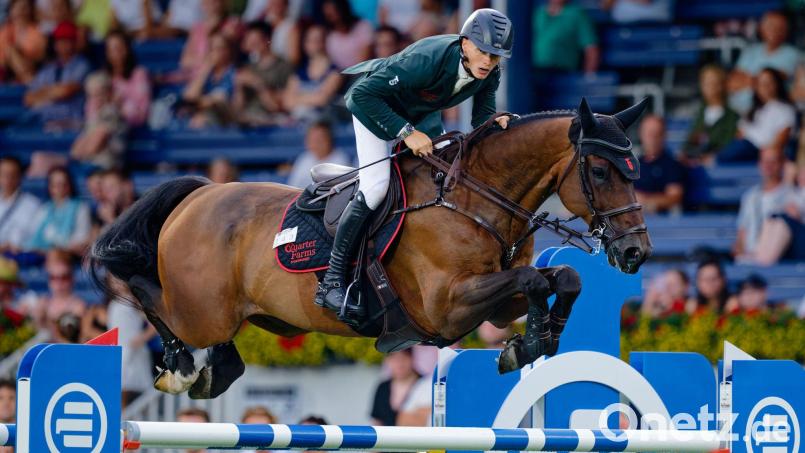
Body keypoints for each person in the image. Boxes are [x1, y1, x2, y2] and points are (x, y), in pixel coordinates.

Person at [314, 9, 513, 321]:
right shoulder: (427, 58)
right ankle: (332, 280)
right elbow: (360, 96)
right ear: (464, 44)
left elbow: (480, 115)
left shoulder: (490, 72)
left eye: (496, 56)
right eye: (483, 51)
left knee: (450, 171)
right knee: (377, 186)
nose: (488, 61)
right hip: (377, 109)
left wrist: (493, 121)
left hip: (420, 114)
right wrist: (405, 133)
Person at [728, 11, 800, 114]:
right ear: (761, 28)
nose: (774, 30)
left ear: (786, 31)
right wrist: (758, 81)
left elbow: (773, 81)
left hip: (767, 113)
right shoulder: (751, 51)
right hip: (736, 110)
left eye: (779, 27)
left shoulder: (792, 54)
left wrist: (746, 79)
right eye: (770, 25)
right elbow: (732, 82)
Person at [718, 67, 796, 163]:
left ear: (777, 84)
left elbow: (781, 139)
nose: (765, 86)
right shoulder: (754, 110)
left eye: (769, 82)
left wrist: (766, 154)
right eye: (761, 83)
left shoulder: (786, 109)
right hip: (744, 149)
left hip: (762, 152)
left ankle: (712, 160)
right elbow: (739, 134)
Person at [23, 21, 90, 125]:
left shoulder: (82, 65)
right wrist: (54, 91)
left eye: (67, 40)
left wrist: (43, 92)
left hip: (71, 120)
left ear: (74, 42)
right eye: (60, 40)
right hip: (43, 118)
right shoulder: (48, 68)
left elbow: (66, 91)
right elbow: (28, 98)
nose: (63, 44)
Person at [733, 147, 793, 260]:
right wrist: (740, 251)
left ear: (782, 164)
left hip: (779, 259)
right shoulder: (750, 196)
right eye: (765, 161)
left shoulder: (792, 196)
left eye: (773, 162)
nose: (768, 166)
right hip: (748, 259)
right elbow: (742, 233)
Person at [233, 21, 294, 126]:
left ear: (268, 40)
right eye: (250, 41)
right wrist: (239, 86)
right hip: (247, 118)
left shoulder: (284, 66)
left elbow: (278, 106)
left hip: (271, 119)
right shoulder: (248, 68)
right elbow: (238, 107)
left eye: (256, 41)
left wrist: (258, 83)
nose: (253, 45)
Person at [282, 24, 343, 122]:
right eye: (310, 40)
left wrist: (297, 98)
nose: (314, 44)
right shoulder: (298, 73)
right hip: (299, 124)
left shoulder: (335, 72)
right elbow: (287, 102)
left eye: (318, 39)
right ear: (305, 44)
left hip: (324, 123)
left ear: (325, 42)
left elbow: (322, 99)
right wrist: (313, 97)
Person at [681, 65, 740, 164]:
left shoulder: (732, 116)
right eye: (705, 82)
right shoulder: (699, 114)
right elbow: (690, 142)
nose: (708, 86)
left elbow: (728, 144)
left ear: (721, 85)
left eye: (712, 82)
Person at [69, 72, 128, 170]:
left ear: (109, 93)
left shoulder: (112, 112)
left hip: (107, 168)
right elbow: (75, 150)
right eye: (91, 95)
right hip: (90, 165)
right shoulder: (94, 115)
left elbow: (95, 144)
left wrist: (79, 157)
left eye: (99, 94)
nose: (95, 99)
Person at [26, 167, 91, 254]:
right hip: (42, 255)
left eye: (64, 184)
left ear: (70, 186)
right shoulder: (44, 209)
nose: (60, 188)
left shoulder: (81, 208)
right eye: (55, 185)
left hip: (68, 255)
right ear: (50, 187)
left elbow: (81, 238)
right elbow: (32, 236)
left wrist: (60, 248)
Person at [751, 163, 805, 264]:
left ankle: (764, 262)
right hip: (792, 241)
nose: (802, 176)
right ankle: (758, 256)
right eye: (801, 172)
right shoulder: (795, 192)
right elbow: (779, 206)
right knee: (772, 219)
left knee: (782, 222)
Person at [181, 32, 237, 128]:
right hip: (204, 115)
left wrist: (195, 103)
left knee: (200, 121)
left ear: (228, 51)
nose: (215, 52)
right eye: (212, 49)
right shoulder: (207, 72)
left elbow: (219, 99)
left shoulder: (234, 73)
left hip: (227, 117)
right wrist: (207, 67)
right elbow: (189, 96)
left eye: (219, 49)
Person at [633, 115, 685, 214]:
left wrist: (646, 202)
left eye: (657, 134)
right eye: (649, 134)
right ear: (641, 135)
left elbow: (675, 197)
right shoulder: (634, 163)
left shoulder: (672, 165)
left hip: (661, 221)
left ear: (664, 136)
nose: (652, 138)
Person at [33, 249, 87, 341]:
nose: (59, 283)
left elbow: (73, 339)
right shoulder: (43, 302)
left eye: (64, 277)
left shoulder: (78, 306)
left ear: (72, 278)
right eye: (53, 277)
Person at [532, 0, 599, 73]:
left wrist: (588, 77)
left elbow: (591, 50)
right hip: (533, 72)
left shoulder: (576, 15)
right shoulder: (537, 13)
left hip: (561, 72)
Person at [103, 30, 152, 127]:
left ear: (126, 50)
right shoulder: (103, 77)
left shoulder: (139, 74)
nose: (114, 54)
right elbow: (92, 111)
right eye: (110, 50)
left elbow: (142, 113)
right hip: (102, 124)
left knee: (101, 132)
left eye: (117, 48)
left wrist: (119, 106)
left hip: (123, 127)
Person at [287, 120, 352, 188]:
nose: (316, 144)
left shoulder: (340, 159)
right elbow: (292, 186)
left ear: (329, 139)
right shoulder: (304, 158)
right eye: (312, 139)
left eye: (319, 139)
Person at [0, 157, 42, 254]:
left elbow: (33, 237)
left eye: (12, 175)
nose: (8, 179)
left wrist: (9, 245)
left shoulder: (33, 204)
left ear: (20, 176)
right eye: (4, 174)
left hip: (15, 256)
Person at [0, 0, 47, 83]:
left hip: (32, 69)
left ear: (30, 10)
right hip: (7, 74)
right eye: (18, 7)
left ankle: (30, 84)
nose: (21, 11)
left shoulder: (37, 31)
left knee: (11, 50)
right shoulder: (5, 30)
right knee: (10, 50)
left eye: (25, 7)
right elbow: (2, 61)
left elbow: (39, 57)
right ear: (11, 10)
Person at [371, 349, 421, 426]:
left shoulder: (424, 384)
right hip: (386, 437)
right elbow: (376, 420)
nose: (399, 363)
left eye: (403, 358)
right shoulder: (383, 387)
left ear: (411, 358)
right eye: (394, 359)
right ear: (387, 361)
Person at [322, 0, 374, 70]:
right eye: (327, 11)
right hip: (338, 75)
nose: (330, 13)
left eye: (334, 9)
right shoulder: (328, 34)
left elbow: (364, 58)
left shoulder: (362, 26)